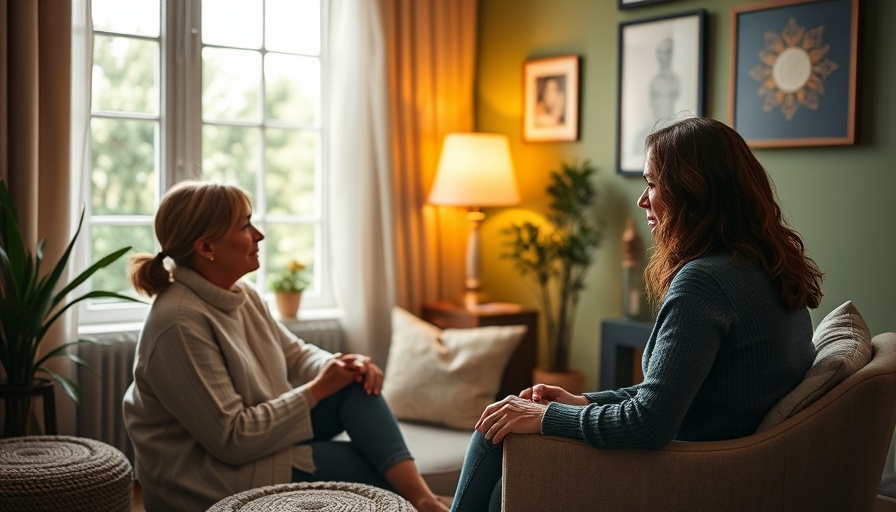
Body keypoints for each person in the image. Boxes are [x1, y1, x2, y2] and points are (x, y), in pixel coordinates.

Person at [449, 116, 824, 512]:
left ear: (692, 191)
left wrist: (547, 419)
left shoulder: (704, 282)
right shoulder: (764, 268)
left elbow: (649, 422)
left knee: (496, 431)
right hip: (720, 461)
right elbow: (669, 393)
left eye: (652, 183)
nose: (642, 200)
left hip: (684, 473)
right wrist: (581, 401)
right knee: (499, 490)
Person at [123, 180, 448, 512]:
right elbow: (231, 439)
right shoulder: (178, 323)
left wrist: (337, 367)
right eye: (245, 225)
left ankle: (423, 500)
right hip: (213, 476)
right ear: (207, 248)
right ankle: (423, 501)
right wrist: (318, 389)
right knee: (376, 474)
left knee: (356, 382)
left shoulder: (241, 293)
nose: (258, 235)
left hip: (254, 444)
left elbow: (295, 353)